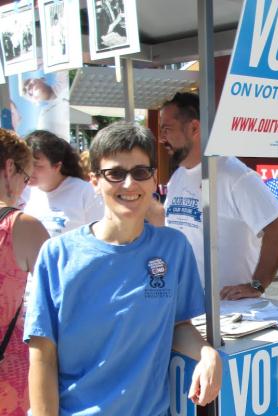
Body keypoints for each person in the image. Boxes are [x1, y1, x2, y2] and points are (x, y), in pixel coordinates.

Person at [24, 122, 222, 414]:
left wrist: (207, 354)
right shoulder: (57, 256)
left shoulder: (174, 248)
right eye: (115, 173)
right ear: (95, 181)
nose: (129, 184)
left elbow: (178, 324)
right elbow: (42, 357)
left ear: (154, 179)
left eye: (140, 172)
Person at [159, 92, 278, 299]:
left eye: (167, 129)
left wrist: (257, 285)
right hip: (188, 304)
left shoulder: (235, 175)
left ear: (194, 128)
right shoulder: (177, 176)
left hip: (231, 313)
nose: (161, 138)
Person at [0, 129, 49, 416]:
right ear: (9, 167)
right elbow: (63, 297)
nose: (25, 186)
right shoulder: (21, 225)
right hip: (10, 378)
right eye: (24, 175)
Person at [23, 130, 103, 237]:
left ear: (57, 166)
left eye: (37, 165)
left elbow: (100, 236)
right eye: (26, 163)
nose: (29, 170)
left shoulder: (85, 192)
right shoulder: (24, 192)